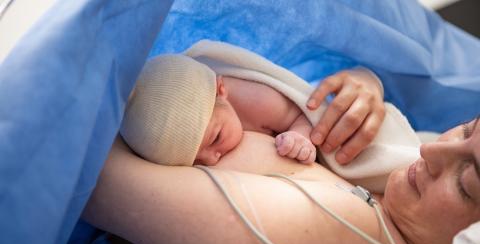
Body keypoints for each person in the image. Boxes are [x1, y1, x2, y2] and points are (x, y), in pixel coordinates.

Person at [82, 103, 480, 244]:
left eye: (467, 184)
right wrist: (360, 85)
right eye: (465, 130)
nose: (429, 153)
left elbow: (91, 178)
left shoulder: (350, 240)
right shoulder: (400, 210)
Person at [120, 40, 385, 167]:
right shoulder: (203, 128)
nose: (211, 160)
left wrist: (300, 137)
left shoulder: (256, 100)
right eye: (194, 163)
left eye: (215, 138)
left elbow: (304, 114)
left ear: (221, 90)